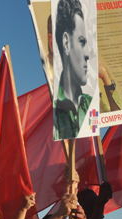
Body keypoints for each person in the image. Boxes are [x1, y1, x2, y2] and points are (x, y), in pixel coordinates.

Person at [53, 0, 92, 140]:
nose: (87, 54)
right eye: (82, 42)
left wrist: (108, 82)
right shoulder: (53, 113)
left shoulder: (92, 104)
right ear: (66, 43)